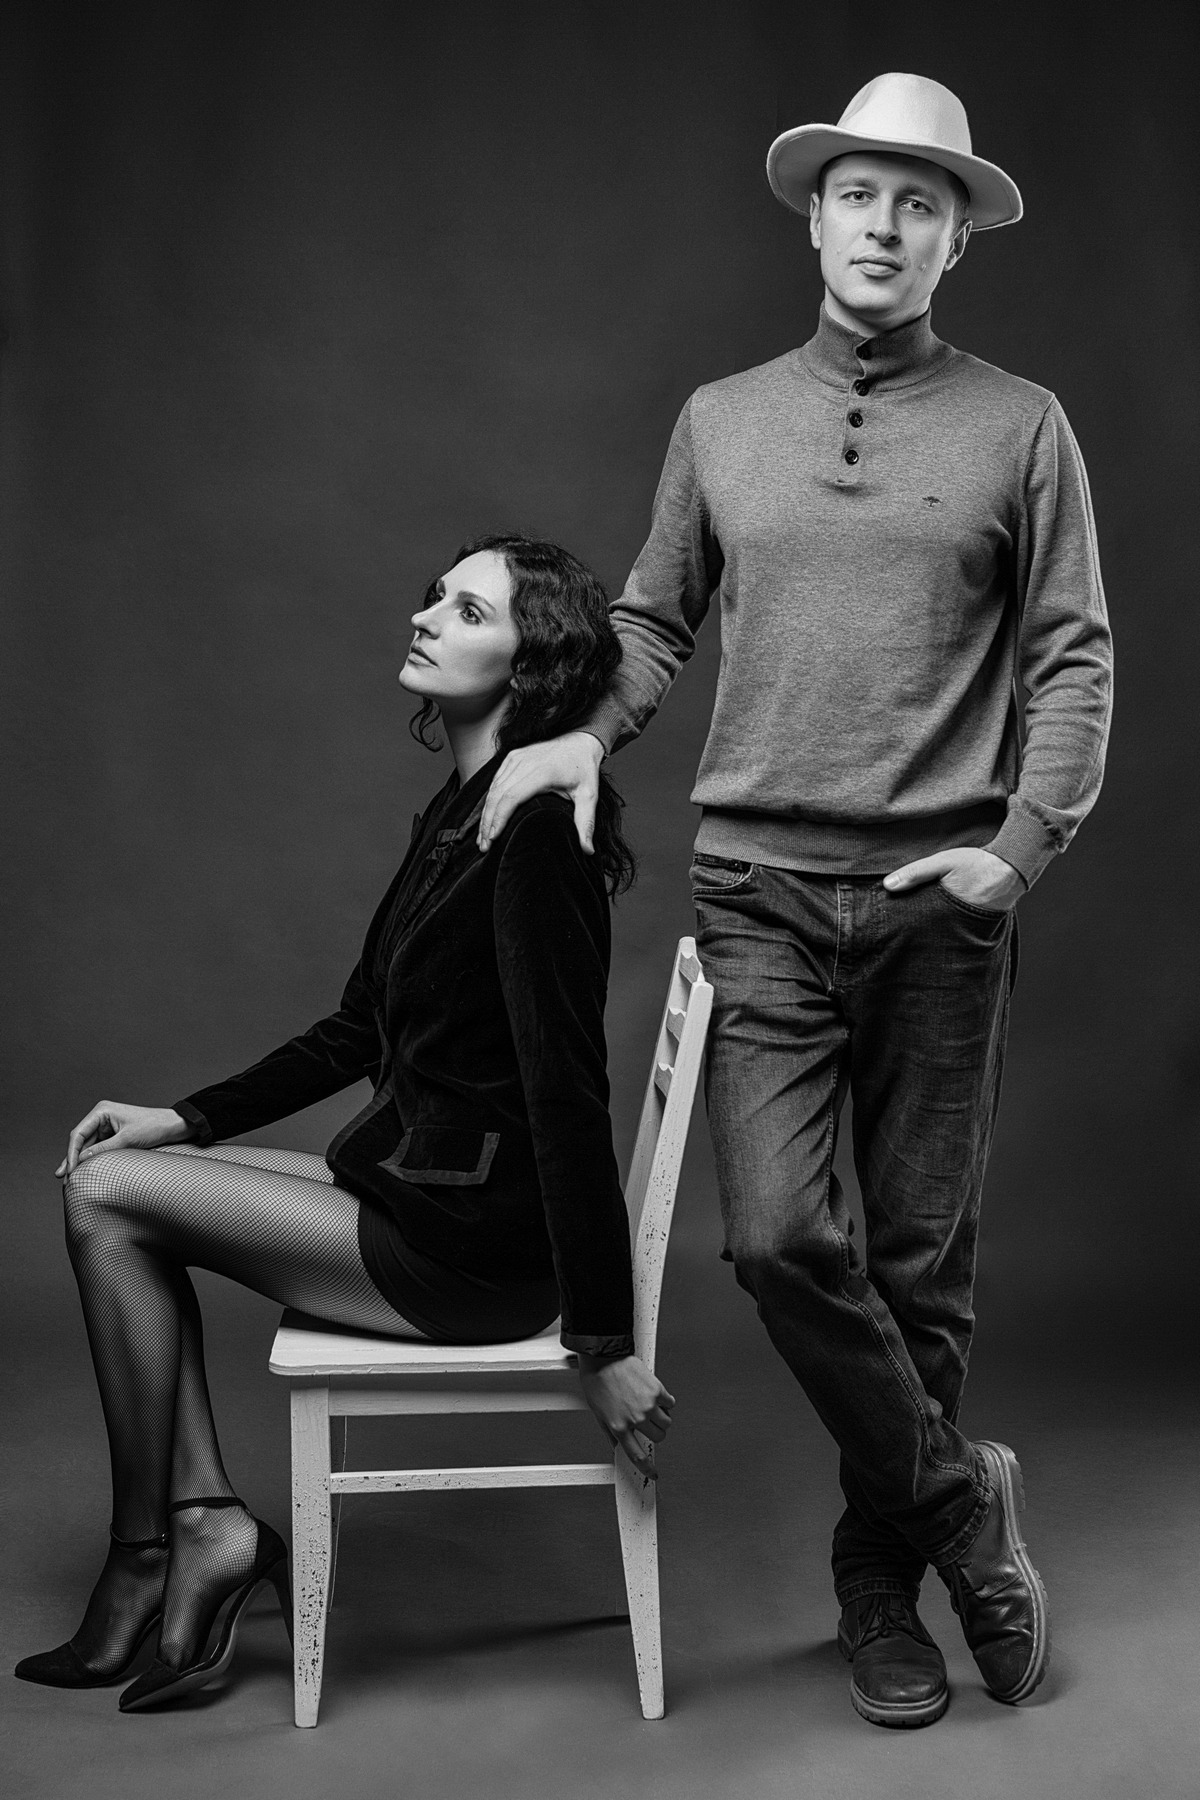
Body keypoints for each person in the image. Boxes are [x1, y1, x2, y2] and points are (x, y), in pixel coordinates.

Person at [477, 74, 1113, 1728]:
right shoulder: (722, 418)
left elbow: (1072, 657)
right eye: (860, 196)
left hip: (940, 903)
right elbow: (653, 618)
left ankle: (877, 1591)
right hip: (759, 890)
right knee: (778, 1242)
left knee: (916, 1266)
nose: (884, 226)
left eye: (920, 203)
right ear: (816, 217)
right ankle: (964, 1507)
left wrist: (1018, 849)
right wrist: (582, 741)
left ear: (957, 238)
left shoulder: (1023, 425)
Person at [15, 533, 674, 1713]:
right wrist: (183, 1117)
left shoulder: (535, 834)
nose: (426, 616)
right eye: (435, 597)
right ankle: (199, 1526)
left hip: (470, 1253)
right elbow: (357, 1026)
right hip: (420, 1191)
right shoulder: (462, 810)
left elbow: (569, 1093)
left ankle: (161, 1549)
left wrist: (605, 1342)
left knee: (100, 1196)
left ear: (533, 665)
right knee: (118, 1174)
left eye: (468, 612)